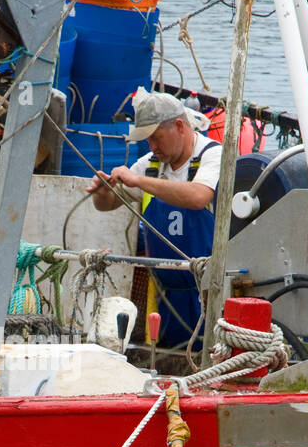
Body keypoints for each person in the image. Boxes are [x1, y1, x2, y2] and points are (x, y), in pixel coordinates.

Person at [88, 90, 221, 347]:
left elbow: (197, 196)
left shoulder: (212, 155)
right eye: (147, 141)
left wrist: (138, 180)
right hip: (165, 296)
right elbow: (107, 205)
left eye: (156, 139)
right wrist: (103, 192)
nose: (152, 147)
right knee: (164, 358)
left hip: (208, 295)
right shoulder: (151, 164)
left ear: (180, 126)